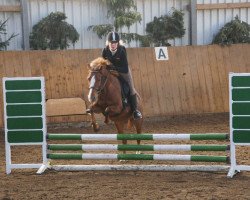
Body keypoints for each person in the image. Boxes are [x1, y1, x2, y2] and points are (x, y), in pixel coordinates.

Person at [102, 31, 142, 120]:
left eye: (115, 43)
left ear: (118, 43)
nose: (113, 45)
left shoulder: (122, 50)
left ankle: (135, 111)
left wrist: (114, 68)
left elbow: (125, 68)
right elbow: (103, 64)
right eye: (111, 43)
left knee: (131, 88)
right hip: (111, 73)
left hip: (123, 72)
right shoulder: (105, 50)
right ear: (108, 43)